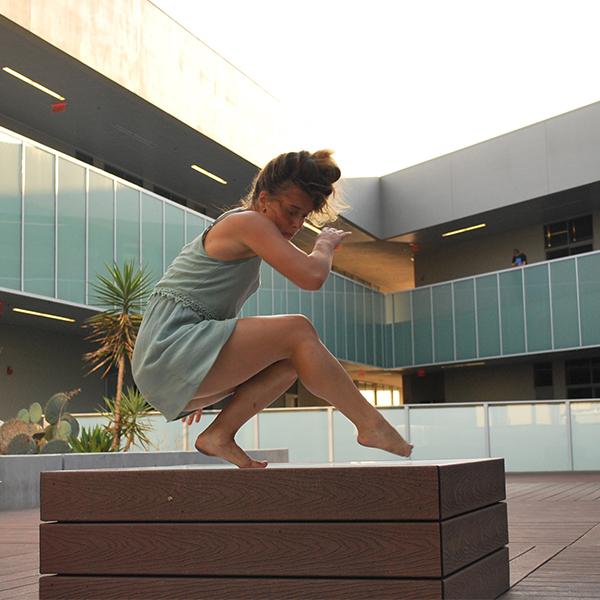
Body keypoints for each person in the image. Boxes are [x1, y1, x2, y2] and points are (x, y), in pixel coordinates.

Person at [132, 150, 413, 468]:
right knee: (297, 329)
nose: (296, 224)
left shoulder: (245, 227)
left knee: (291, 362)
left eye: (304, 217)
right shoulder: (248, 222)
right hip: (170, 349)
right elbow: (310, 276)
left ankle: (218, 435)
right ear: (263, 199)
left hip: (175, 360)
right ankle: (370, 425)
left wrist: (199, 377)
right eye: (291, 211)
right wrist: (323, 245)